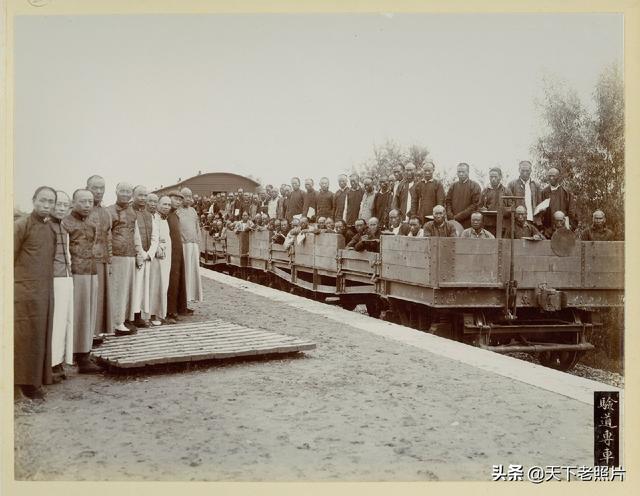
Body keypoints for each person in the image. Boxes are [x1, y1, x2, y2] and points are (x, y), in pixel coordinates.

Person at [14, 186, 57, 399]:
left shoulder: (51, 229)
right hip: (24, 292)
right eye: (43, 200)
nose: (46, 205)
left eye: (51, 201)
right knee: (25, 335)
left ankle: (37, 378)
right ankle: (22, 383)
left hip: (44, 292)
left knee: (41, 334)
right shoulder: (21, 225)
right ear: (33, 200)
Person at [63, 189, 101, 373]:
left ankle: (86, 350)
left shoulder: (92, 223)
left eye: (90, 201)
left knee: (89, 312)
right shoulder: (66, 223)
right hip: (76, 274)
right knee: (78, 314)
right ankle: (79, 355)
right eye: (83, 201)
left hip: (92, 272)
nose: (87, 205)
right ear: (73, 201)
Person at [107, 182, 141, 335]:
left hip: (130, 255)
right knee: (117, 290)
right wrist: (109, 256)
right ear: (116, 191)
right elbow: (106, 235)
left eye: (128, 191)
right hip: (117, 255)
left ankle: (124, 320)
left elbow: (135, 234)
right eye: (123, 191)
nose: (126, 194)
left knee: (127, 289)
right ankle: (115, 323)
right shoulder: (110, 211)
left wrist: (137, 253)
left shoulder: (133, 212)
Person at [49, 191, 74, 379]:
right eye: (58, 204)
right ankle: (51, 363)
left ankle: (58, 361)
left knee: (64, 321)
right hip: (53, 279)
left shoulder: (64, 227)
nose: (62, 208)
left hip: (66, 277)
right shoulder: (46, 226)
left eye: (66, 205)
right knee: (55, 322)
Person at [86, 175, 112, 339]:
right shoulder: (81, 210)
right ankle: (86, 334)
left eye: (101, 188)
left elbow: (108, 236)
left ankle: (96, 332)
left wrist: (110, 260)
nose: (98, 191)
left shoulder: (105, 212)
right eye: (95, 188)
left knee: (100, 297)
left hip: (102, 260)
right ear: (87, 188)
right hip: (85, 261)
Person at [132, 185, 159, 327]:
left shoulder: (149, 215)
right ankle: (131, 316)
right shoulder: (131, 213)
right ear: (134, 196)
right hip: (136, 257)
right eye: (140, 195)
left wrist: (150, 253)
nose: (142, 198)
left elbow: (155, 236)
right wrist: (141, 253)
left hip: (147, 256)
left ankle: (139, 315)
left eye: (144, 195)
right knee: (135, 287)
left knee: (143, 288)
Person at [149, 196, 172, 326]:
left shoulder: (165, 219)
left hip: (166, 256)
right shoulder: (154, 218)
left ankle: (160, 313)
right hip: (157, 255)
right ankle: (153, 314)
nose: (166, 207)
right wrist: (157, 247)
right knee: (156, 284)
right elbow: (154, 236)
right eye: (164, 204)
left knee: (164, 284)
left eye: (169, 205)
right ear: (158, 204)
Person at [166, 190, 189, 322]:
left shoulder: (175, 215)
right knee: (171, 280)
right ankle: (170, 311)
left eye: (180, 200)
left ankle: (176, 308)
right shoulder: (166, 215)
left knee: (177, 279)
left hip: (177, 251)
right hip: (170, 251)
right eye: (175, 199)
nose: (178, 202)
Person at [178, 187, 203, 305]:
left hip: (193, 245)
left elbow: (197, 228)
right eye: (186, 196)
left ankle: (190, 297)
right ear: (181, 197)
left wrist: (198, 244)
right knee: (185, 272)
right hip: (183, 246)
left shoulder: (193, 211)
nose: (189, 199)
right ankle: (183, 298)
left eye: (190, 196)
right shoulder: (177, 211)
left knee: (192, 272)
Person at [539, 167, 577, 238]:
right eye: (549, 176)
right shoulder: (544, 192)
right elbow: (540, 213)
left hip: (563, 229)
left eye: (553, 176)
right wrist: (542, 229)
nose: (551, 178)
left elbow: (572, 211)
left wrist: (570, 226)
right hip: (548, 230)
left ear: (558, 177)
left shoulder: (566, 192)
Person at [445, 162, 482, 229]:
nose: (461, 174)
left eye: (463, 172)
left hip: (467, 222)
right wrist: (450, 215)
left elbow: (474, 205)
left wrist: (459, 216)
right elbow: (448, 202)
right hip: (453, 222)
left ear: (468, 172)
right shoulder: (453, 186)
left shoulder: (474, 186)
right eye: (459, 172)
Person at [478, 167, 512, 236]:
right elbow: (479, 207)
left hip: (503, 225)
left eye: (495, 177)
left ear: (500, 177)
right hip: (488, 225)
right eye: (491, 177)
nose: (493, 179)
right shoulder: (485, 191)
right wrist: (482, 209)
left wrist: (502, 210)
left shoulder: (506, 191)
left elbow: (511, 208)